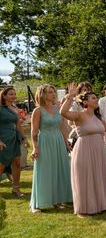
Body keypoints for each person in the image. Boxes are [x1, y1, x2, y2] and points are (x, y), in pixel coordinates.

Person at [60, 86, 106, 217]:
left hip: (98, 150)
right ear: (85, 102)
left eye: (96, 98)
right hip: (84, 149)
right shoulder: (79, 115)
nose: (96, 100)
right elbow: (63, 113)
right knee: (85, 177)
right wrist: (70, 97)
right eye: (93, 98)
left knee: (97, 175)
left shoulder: (97, 117)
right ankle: (84, 208)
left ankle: (99, 204)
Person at [30, 84, 73, 213]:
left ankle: (57, 200)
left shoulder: (57, 108)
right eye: (50, 92)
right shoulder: (37, 111)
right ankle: (36, 204)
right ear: (42, 94)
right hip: (45, 142)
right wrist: (35, 148)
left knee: (59, 170)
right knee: (44, 171)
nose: (53, 94)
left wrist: (66, 142)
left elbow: (62, 127)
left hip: (58, 141)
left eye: (53, 92)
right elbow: (33, 131)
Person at [0, 86, 26, 198]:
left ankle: (16, 189)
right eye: (11, 94)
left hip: (14, 138)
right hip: (3, 138)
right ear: (4, 95)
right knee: (1, 164)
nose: (13, 96)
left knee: (17, 163)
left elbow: (18, 125)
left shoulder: (15, 108)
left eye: (14, 94)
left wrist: (24, 138)